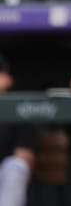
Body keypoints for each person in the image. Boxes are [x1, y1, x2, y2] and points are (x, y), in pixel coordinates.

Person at [0, 54, 38, 206]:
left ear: (8, 79)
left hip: (3, 177)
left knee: (15, 167)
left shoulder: (17, 109)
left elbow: (24, 157)